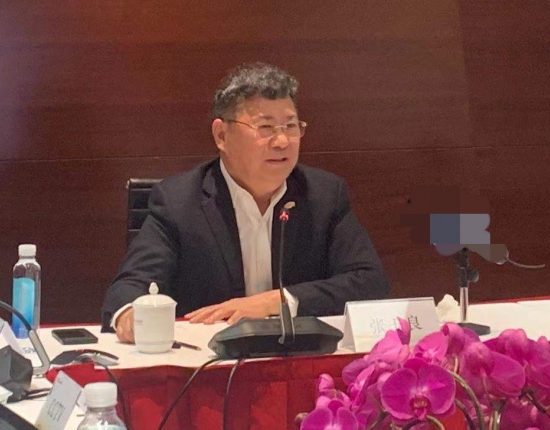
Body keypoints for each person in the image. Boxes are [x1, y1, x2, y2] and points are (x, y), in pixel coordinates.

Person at [102, 62, 390, 342]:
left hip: (297, 356)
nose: (282, 141)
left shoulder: (324, 195)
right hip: (210, 360)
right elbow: (130, 288)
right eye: (265, 127)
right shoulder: (178, 202)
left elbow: (370, 282)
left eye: (290, 126)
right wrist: (131, 318)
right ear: (221, 135)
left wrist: (278, 301)